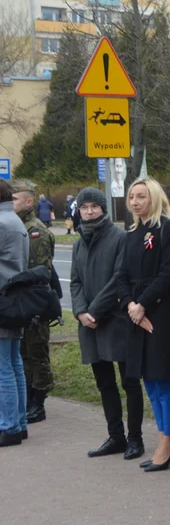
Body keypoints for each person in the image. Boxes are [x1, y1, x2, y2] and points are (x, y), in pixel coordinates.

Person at [116, 178, 170, 472]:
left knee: (164, 380)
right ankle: (164, 438)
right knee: (149, 381)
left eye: (141, 196)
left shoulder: (168, 229)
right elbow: (119, 275)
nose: (134, 202)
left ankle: (168, 441)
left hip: (161, 313)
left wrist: (143, 303)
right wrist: (132, 306)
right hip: (136, 315)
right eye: (131, 197)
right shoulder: (131, 232)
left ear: (153, 198)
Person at [72, 187, 145, 460]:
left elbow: (119, 279)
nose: (89, 211)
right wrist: (80, 311)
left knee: (130, 382)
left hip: (116, 320)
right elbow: (75, 281)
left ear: (103, 208)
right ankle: (116, 436)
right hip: (89, 323)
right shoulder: (79, 241)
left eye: (94, 206)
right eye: (84, 207)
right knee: (104, 383)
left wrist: (94, 310)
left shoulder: (120, 238)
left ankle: (135, 438)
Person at [10, 180, 56, 424]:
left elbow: (37, 270)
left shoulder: (35, 230)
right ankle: (28, 398)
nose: (10, 203)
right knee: (23, 351)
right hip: (20, 301)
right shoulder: (18, 225)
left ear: (29, 201)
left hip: (34, 300)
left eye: (15, 199)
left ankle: (39, 402)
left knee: (37, 352)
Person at [0, 180, 29, 447]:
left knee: (3, 367)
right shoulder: (15, 220)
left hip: (2, 300)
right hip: (14, 300)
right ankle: (18, 423)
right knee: (13, 363)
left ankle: (9, 426)